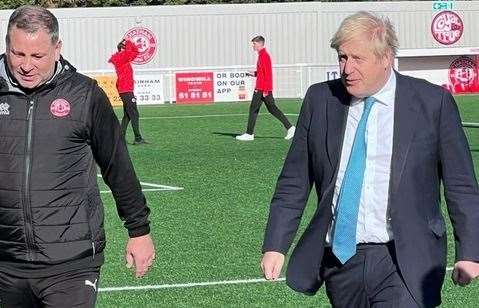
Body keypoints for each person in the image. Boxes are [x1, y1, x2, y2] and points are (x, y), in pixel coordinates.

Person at [261, 11, 479, 308]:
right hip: (340, 260)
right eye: (342, 57)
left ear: (386, 57)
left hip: (406, 260)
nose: (346, 68)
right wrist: (275, 244)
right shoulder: (320, 100)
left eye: (357, 58)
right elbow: (294, 180)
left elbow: (461, 184)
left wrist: (469, 251)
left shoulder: (432, 103)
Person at [0, 6, 155, 307]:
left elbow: (116, 164)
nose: (27, 65)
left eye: (38, 56)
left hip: (70, 262)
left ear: (57, 49)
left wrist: (139, 230)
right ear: (7, 45)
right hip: (5, 261)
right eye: (18, 54)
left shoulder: (85, 95)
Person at [236, 35, 295, 141]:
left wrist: (266, 90)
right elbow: (262, 73)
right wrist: (253, 73)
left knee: (254, 109)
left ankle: (249, 134)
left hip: (262, 89)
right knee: (272, 109)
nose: (253, 46)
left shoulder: (264, 56)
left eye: (254, 44)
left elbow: (268, 74)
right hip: (262, 88)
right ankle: (290, 128)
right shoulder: (262, 55)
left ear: (259, 43)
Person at [109, 38, 147, 145]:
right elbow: (133, 51)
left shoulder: (122, 58)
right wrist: (128, 42)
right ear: (122, 49)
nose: (127, 50)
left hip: (125, 89)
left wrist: (126, 43)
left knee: (128, 115)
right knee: (134, 113)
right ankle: (138, 138)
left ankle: (120, 138)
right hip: (126, 90)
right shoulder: (122, 58)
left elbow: (134, 52)